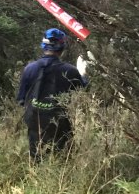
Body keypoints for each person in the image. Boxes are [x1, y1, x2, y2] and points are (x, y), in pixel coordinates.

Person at [17, 28, 87, 161]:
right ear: (62, 47)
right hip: (60, 123)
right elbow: (82, 90)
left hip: (34, 121)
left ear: (43, 46)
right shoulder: (71, 71)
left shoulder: (29, 69)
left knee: (36, 157)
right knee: (62, 158)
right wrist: (83, 74)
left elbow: (21, 99)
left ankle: (36, 179)